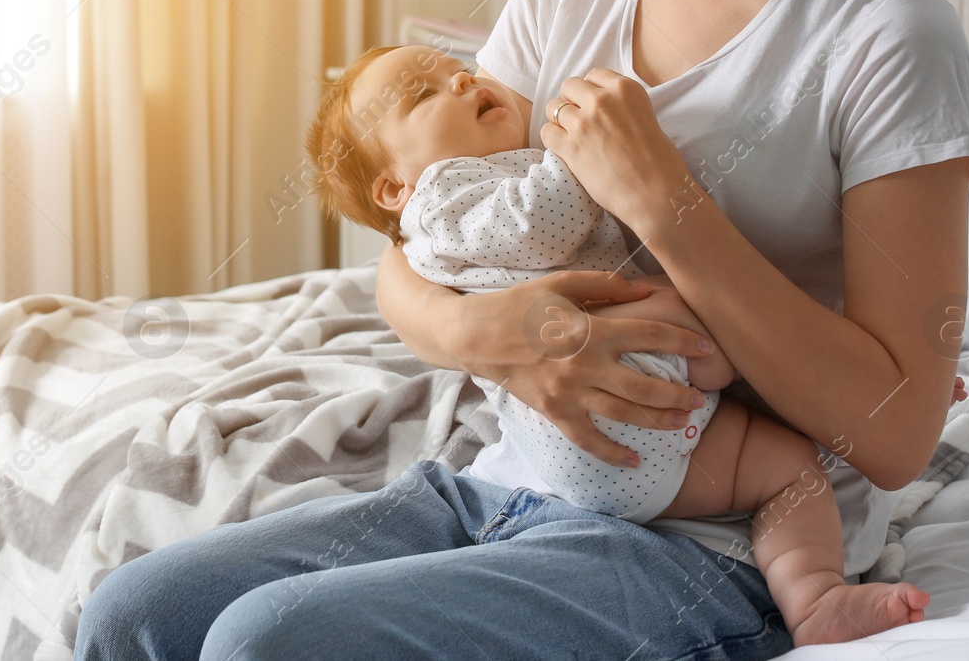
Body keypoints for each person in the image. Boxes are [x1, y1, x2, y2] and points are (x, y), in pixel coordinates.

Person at [74, 0, 969, 657]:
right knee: (132, 611)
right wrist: (484, 335)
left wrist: (668, 203)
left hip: (721, 533)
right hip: (513, 477)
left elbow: (898, 431)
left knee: (268, 640)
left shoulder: (881, 34)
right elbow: (416, 255)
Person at [295, 41, 930, 644]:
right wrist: (589, 149)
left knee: (788, 460)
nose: (463, 79)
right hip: (599, 422)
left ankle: (815, 599)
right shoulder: (440, 202)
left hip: (609, 452)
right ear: (392, 191)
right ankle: (814, 590)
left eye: (459, 67)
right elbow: (540, 226)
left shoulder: (465, 188)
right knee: (766, 430)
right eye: (422, 94)